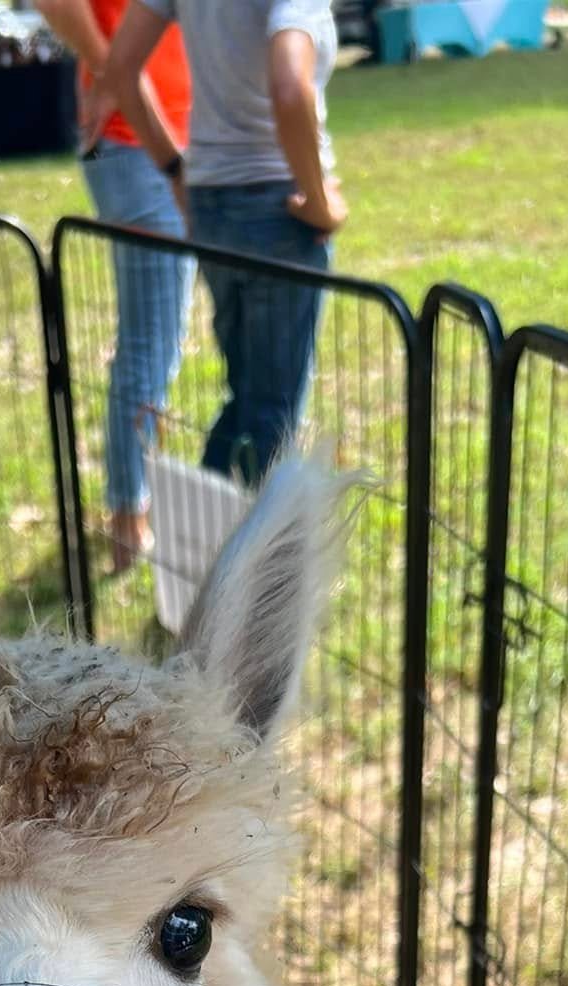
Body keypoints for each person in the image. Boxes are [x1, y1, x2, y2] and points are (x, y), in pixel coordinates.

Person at [94, 0, 344, 485]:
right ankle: (246, 554)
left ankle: (200, 538)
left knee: (250, 396)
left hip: (212, 202)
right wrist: (319, 200)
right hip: (279, 208)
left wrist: (175, 171)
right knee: (272, 414)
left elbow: (120, 70)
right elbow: (291, 88)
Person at [37, 0, 195, 571]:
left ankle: (133, 508)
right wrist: (110, 71)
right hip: (136, 147)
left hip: (158, 140)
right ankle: (129, 520)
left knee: (155, 341)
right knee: (150, 345)